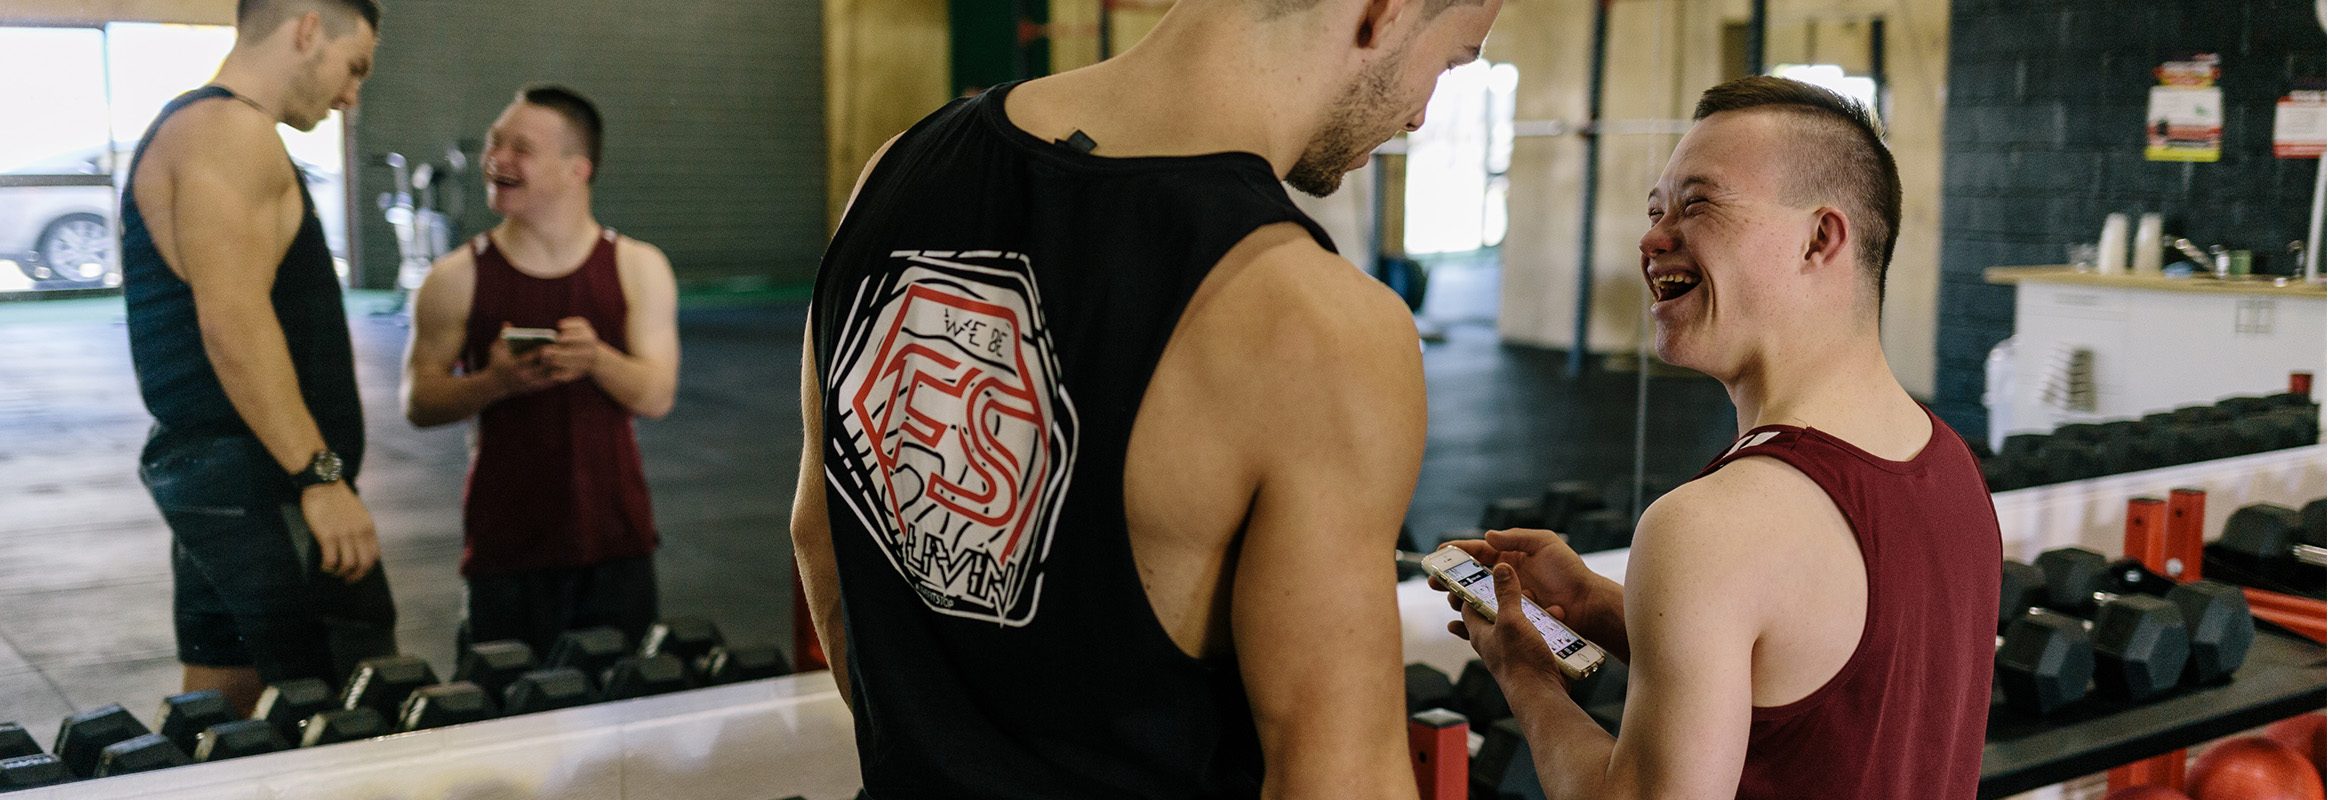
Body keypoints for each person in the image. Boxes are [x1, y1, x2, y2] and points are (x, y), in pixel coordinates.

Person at [791, 0, 1502, 796]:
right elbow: (1341, 779)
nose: (1421, 113)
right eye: (1449, 61)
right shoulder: (1314, 323)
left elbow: (820, 538)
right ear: (1385, 11)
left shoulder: (892, 173)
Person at [1439, 76, 2002, 799]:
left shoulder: (1708, 528)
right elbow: (1813, 678)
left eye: (1697, 203)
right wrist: (1591, 607)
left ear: (1819, 239)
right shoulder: (1951, 468)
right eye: (1654, 210)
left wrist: (1524, 675)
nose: (1651, 238)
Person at [122, 0, 391, 716]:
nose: (351, 94)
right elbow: (233, 323)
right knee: (347, 710)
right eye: (352, 66)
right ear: (307, 28)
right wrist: (321, 476)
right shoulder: (228, 133)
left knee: (226, 699)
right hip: (264, 487)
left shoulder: (205, 129)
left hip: (223, 484)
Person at [402, 86, 680, 657]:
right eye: (494, 143)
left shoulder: (637, 266)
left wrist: (598, 359)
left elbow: (656, 395)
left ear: (577, 169)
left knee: (624, 725)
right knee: (504, 723)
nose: (495, 160)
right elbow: (417, 401)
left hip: (616, 543)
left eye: (520, 148)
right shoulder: (455, 278)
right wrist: (495, 383)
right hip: (507, 549)